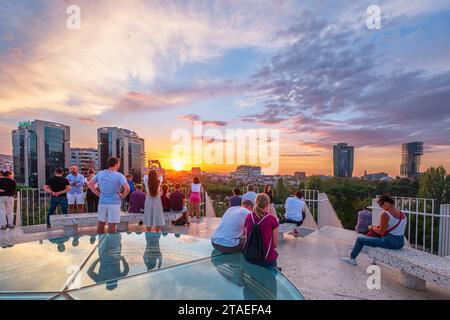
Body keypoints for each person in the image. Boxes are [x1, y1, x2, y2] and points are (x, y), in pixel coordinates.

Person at [342, 194, 407, 266]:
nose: (383, 209)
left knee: (360, 240)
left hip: (391, 242)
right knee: (375, 238)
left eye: (381, 206)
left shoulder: (385, 214)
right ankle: (374, 259)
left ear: (385, 203)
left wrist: (371, 227)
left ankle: (352, 259)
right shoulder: (402, 214)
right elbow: (393, 228)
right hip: (400, 243)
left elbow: (381, 232)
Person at [88, 157, 130, 234]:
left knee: (101, 223)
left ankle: (101, 243)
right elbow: (127, 189)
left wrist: (99, 194)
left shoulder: (100, 173)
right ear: (116, 164)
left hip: (102, 202)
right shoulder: (119, 175)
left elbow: (90, 184)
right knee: (112, 224)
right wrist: (122, 196)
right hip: (114, 203)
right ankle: (111, 244)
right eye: (119, 164)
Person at [244, 193, 279, 268]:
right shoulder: (272, 219)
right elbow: (275, 245)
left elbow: (247, 239)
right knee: (274, 254)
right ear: (267, 204)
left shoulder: (248, 217)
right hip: (266, 260)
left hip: (249, 257)